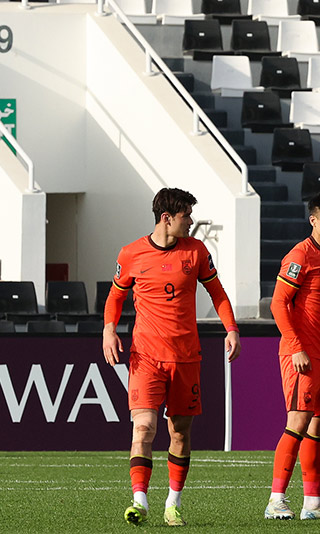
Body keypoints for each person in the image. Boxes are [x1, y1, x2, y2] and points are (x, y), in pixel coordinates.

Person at [102, 188, 241, 527]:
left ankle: (173, 503)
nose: (191, 221)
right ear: (167, 218)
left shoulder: (196, 251)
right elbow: (115, 296)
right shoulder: (131, 253)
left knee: (179, 432)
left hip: (186, 357)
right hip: (145, 356)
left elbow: (217, 292)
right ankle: (139, 501)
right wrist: (108, 329)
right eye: (186, 216)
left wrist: (231, 328)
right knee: (144, 428)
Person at [263, 191, 320, 520]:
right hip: (301, 355)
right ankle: (276, 500)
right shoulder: (300, 255)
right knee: (298, 422)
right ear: (313, 220)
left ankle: (313, 504)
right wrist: (295, 347)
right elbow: (278, 303)